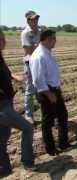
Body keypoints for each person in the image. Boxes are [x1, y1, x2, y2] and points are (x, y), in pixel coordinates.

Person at [0, 30, 35, 177]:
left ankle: (4, 170)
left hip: (7, 102)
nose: (2, 41)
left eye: (2, 39)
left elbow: (5, 73)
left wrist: (15, 76)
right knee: (27, 128)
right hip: (2, 106)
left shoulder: (0, 57)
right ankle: (27, 162)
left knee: (2, 139)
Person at [29, 29, 70, 156]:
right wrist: (48, 93)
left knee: (62, 115)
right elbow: (37, 79)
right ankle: (50, 148)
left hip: (54, 90)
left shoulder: (47, 52)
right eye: (53, 38)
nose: (55, 40)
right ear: (46, 39)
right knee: (48, 121)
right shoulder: (39, 56)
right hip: (46, 91)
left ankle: (63, 143)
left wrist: (57, 89)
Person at [21, 10, 41, 123]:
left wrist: (38, 47)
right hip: (29, 64)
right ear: (28, 20)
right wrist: (40, 47)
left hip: (40, 63)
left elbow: (46, 46)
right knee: (30, 90)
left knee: (41, 87)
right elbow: (28, 50)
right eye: (34, 19)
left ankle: (45, 111)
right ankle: (28, 116)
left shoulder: (40, 31)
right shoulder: (25, 33)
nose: (36, 21)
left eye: (37, 18)